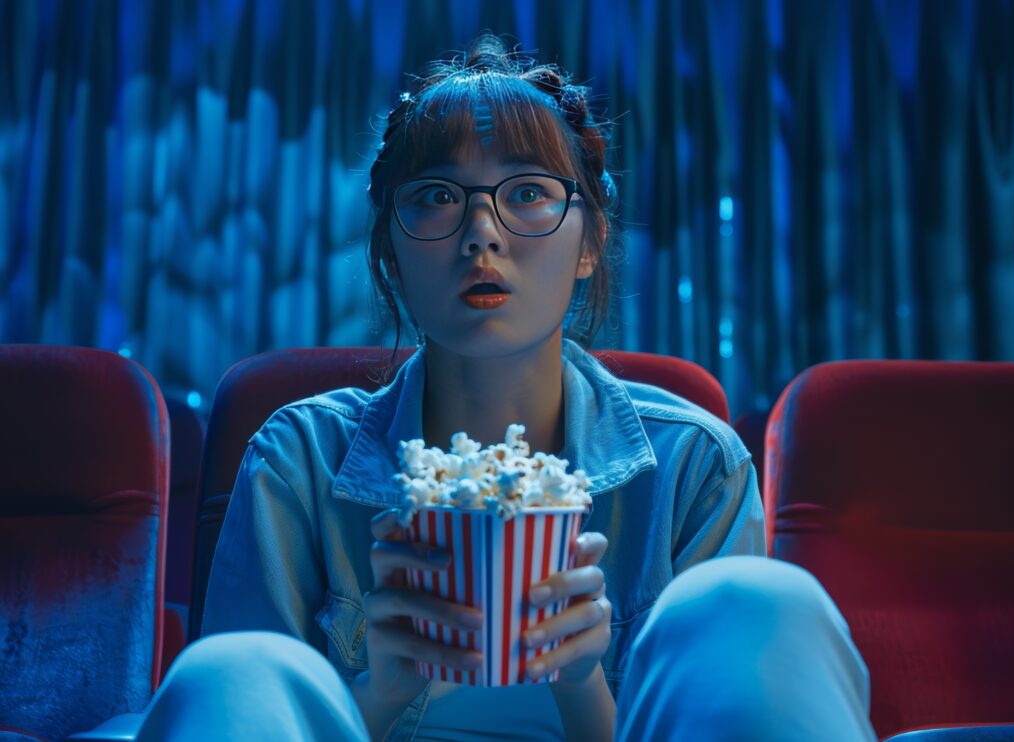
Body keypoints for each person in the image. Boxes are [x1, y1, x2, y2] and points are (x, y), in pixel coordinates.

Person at [134, 34, 876, 741]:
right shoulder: (298, 459)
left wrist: (582, 681)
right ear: (389, 252)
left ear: (590, 243)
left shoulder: (695, 468)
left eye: (526, 192)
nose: (480, 234)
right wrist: (381, 686)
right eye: (435, 196)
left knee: (756, 601)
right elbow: (241, 709)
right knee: (231, 667)